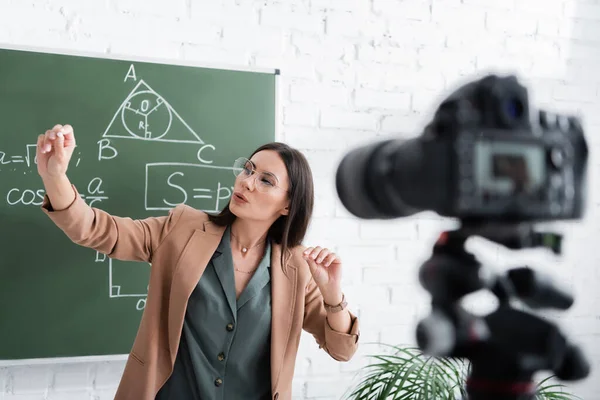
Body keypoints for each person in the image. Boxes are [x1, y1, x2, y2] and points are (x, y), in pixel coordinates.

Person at [36, 124, 360, 400]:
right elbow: (100, 231)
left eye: (266, 180)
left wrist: (333, 295)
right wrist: (55, 177)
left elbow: (341, 350)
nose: (246, 181)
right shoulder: (183, 228)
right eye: (248, 169)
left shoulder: (296, 267)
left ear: (288, 205)